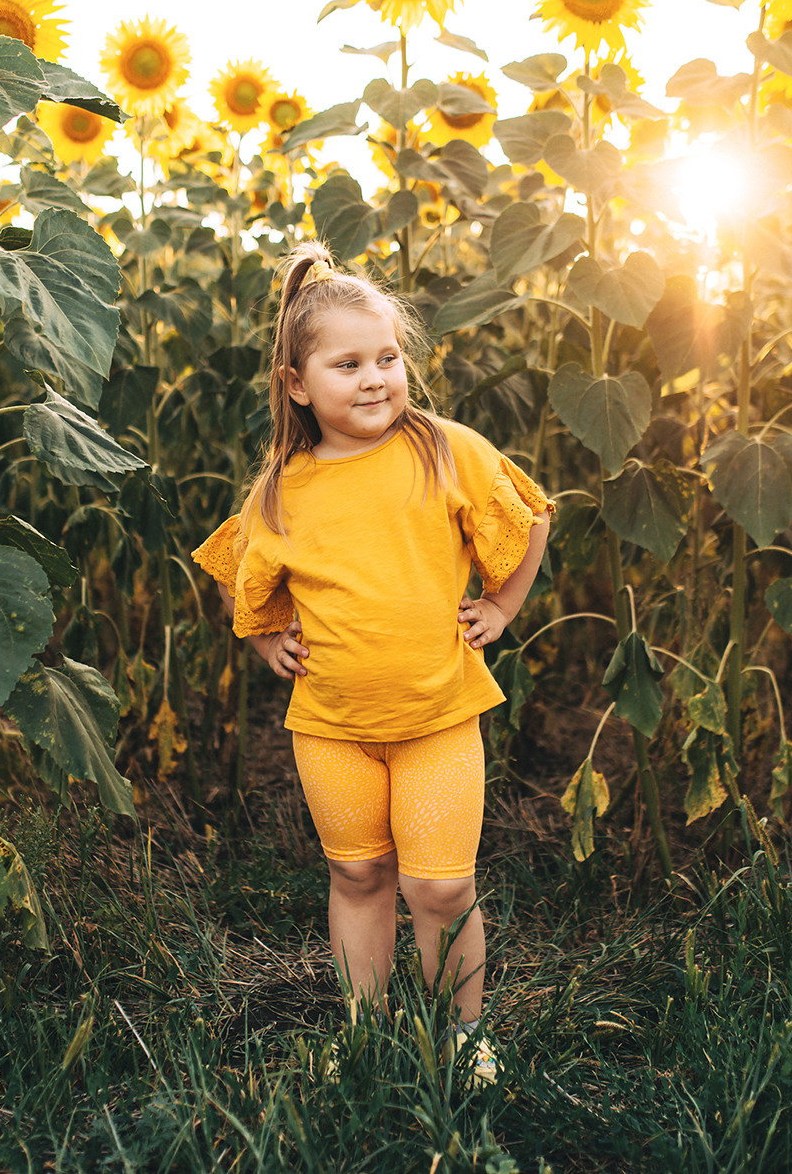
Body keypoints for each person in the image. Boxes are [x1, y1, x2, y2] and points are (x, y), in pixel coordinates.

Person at [192, 241, 553, 1087]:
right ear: (296, 383)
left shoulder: (443, 449)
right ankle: (366, 1027)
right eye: (347, 362)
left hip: (435, 715)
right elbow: (242, 574)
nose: (375, 378)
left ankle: (462, 1036)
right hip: (331, 725)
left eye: (387, 357)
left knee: (439, 888)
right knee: (357, 872)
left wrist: (501, 605)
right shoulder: (284, 488)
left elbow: (530, 516)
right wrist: (261, 637)